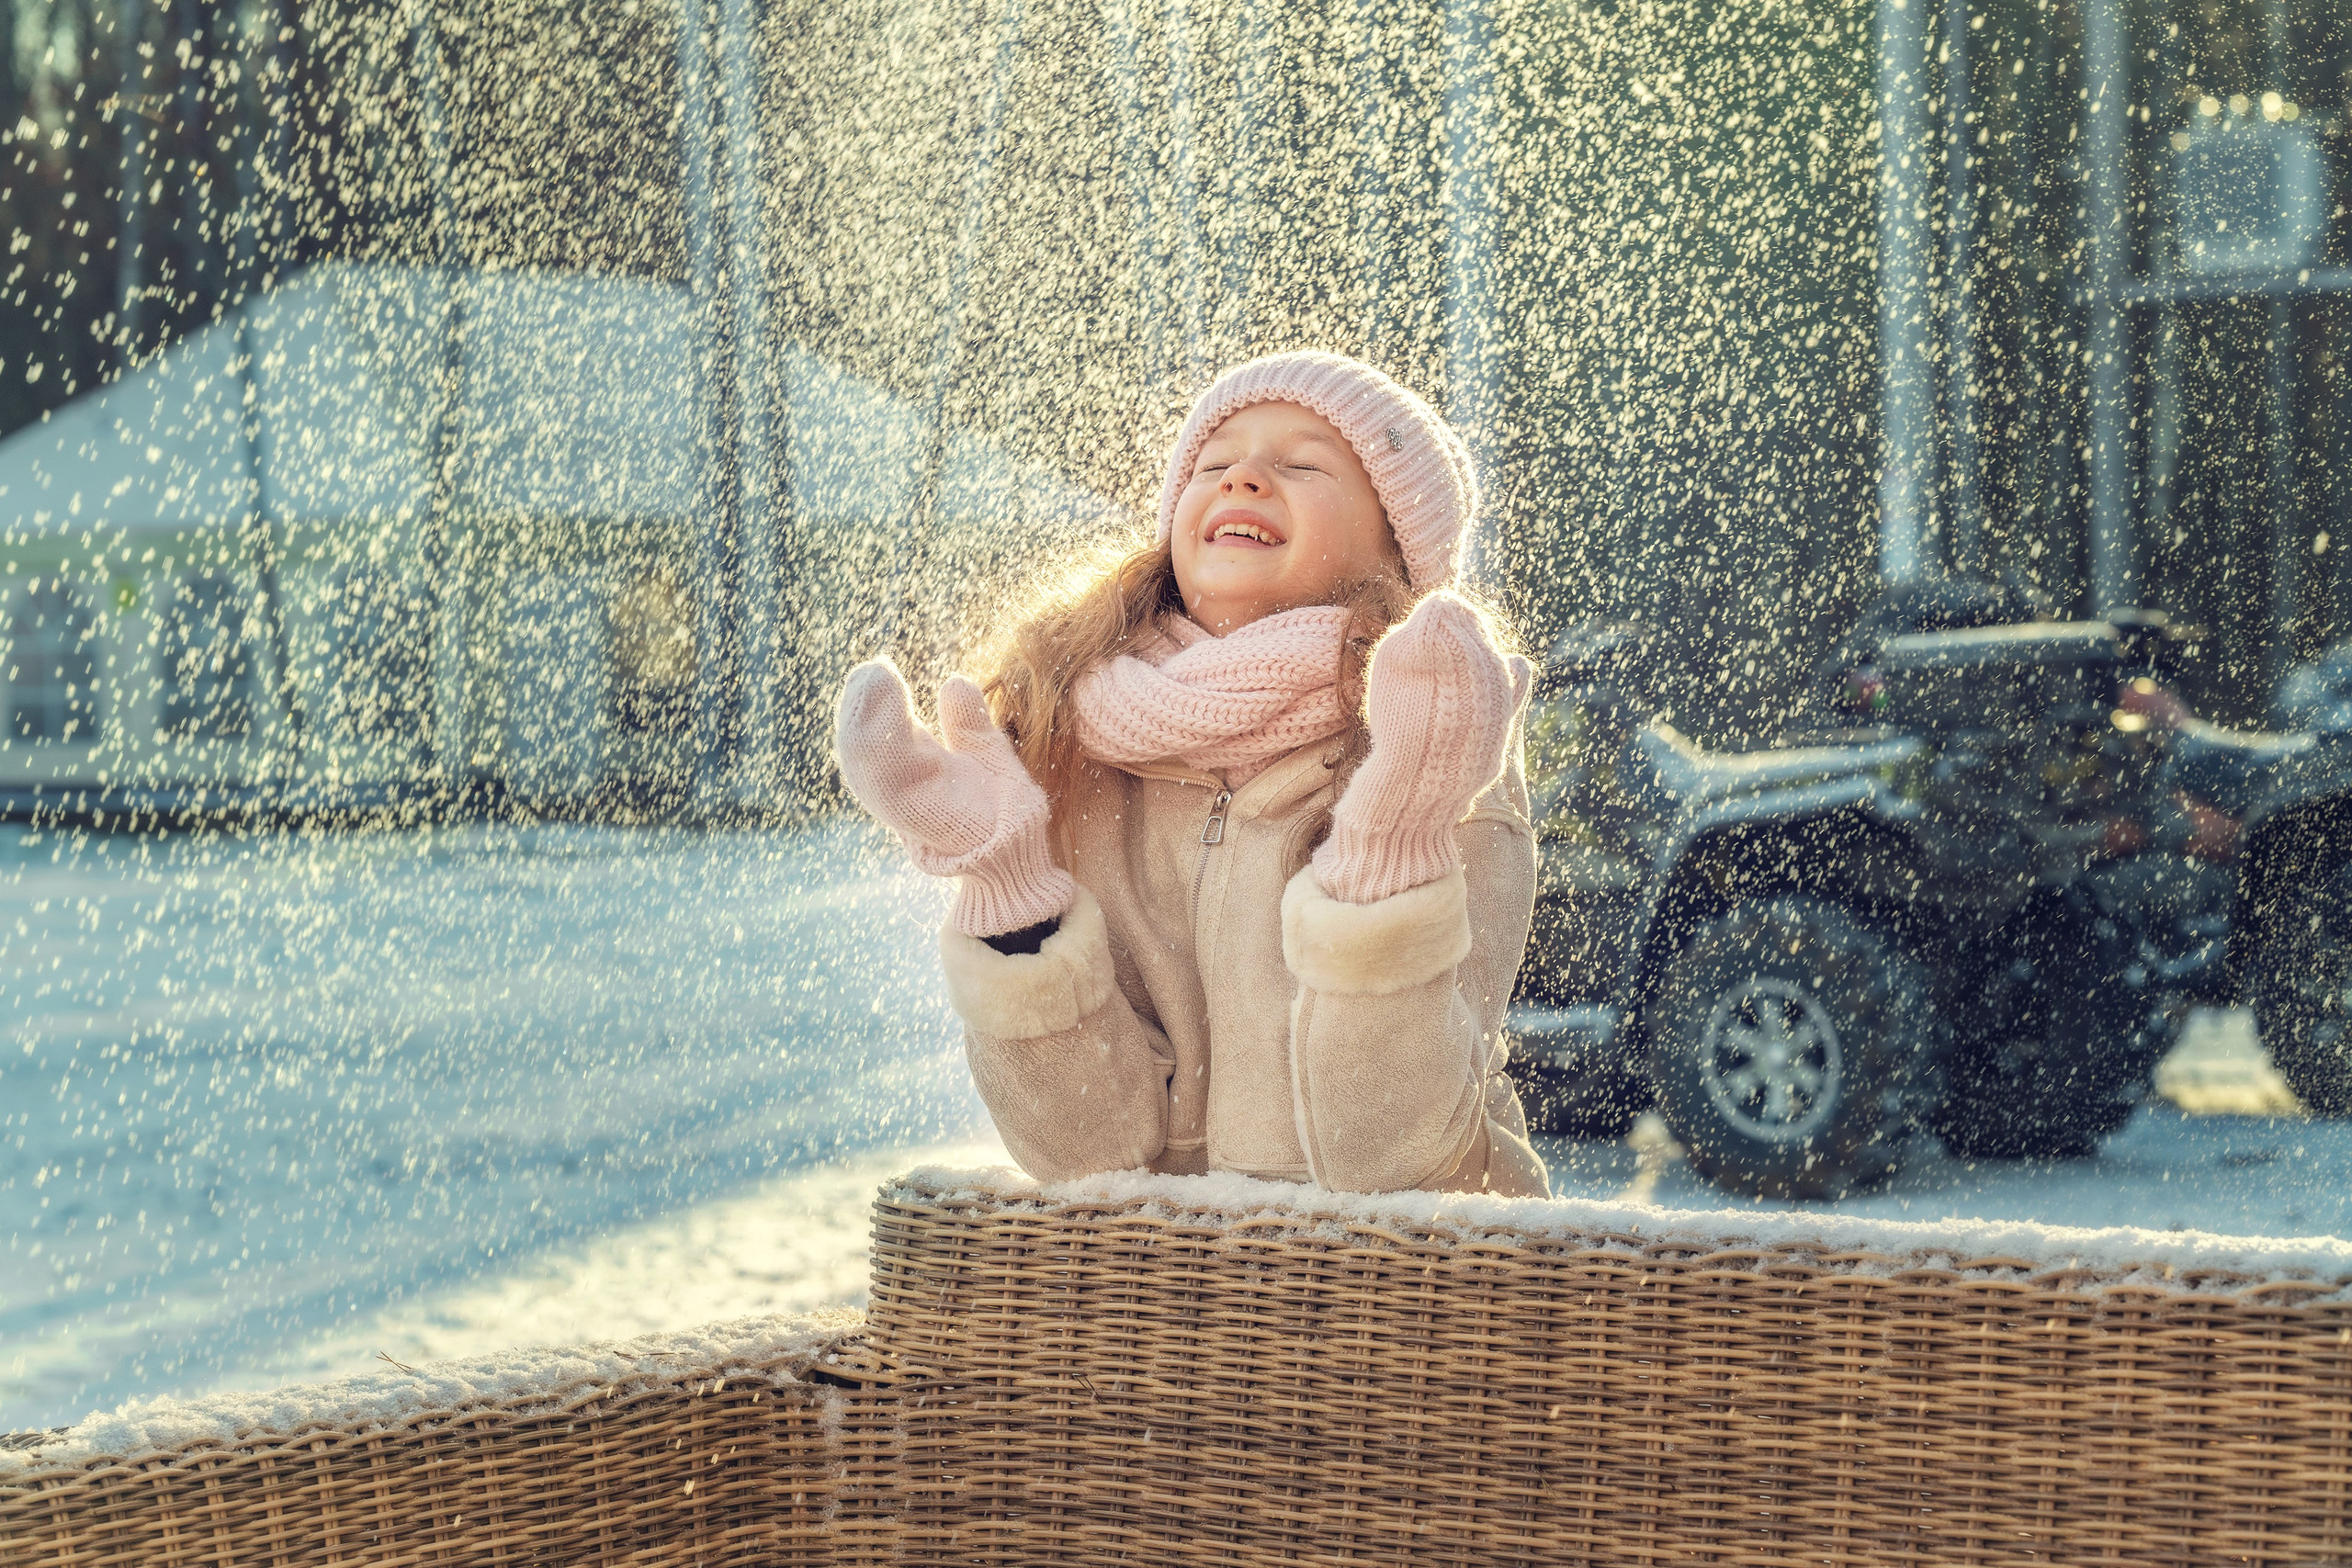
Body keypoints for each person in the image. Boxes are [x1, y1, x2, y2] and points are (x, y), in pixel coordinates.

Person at [832, 351, 1548, 1197]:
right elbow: (1087, 1156)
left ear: (1396, 544)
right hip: (1166, 1307)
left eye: (1301, 463)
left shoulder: (1436, 744)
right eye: (1213, 465)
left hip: (1425, 1301)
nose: (1244, 476)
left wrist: (1390, 846)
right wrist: (1011, 900)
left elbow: (1392, 1154)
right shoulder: (1070, 741)